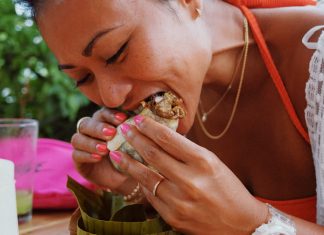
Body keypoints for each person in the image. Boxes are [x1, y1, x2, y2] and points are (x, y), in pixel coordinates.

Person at [19, 0, 324, 234]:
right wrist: (131, 185)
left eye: (116, 53)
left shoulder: (316, 63)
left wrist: (253, 224)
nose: (111, 96)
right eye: (83, 78)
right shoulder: (176, 98)